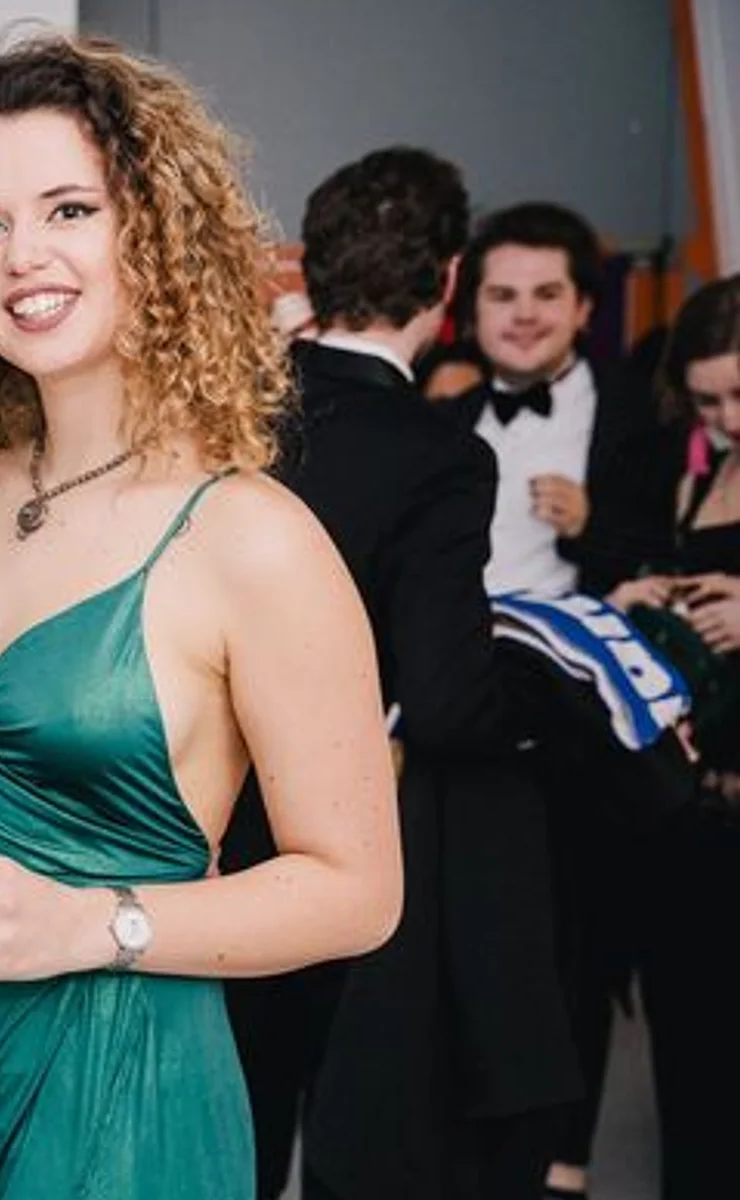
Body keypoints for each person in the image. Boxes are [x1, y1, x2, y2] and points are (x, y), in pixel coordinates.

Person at [0, 32, 402, 1200]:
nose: (23, 256)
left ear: (155, 231)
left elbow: (359, 891)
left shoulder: (251, 537)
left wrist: (92, 925)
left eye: (69, 209)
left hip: (119, 1102)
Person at [221, 146, 584, 1200]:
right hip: (336, 838)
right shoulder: (437, 452)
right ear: (448, 282)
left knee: (233, 1128)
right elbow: (447, 701)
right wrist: (552, 695)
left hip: (197, 818)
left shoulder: (224, 412)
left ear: (315, 268)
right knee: (359, 1125)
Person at [441, 202, 680, 1200]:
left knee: (575, 955)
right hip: (462, 732)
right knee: (466, 958)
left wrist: (595, 527)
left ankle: (563, 1167)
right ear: (471, 311)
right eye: (503, 295)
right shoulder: (441, 421)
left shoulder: (642, 425)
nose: (525, 314)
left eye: (547, 294)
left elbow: (678, 557)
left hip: (583, 743)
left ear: (585, 307)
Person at [604, 273, 740, 1200]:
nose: (728, 419)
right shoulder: (693, 473)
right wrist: (641, 606)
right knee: (691, 1076)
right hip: (691, 826)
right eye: (709, 401)